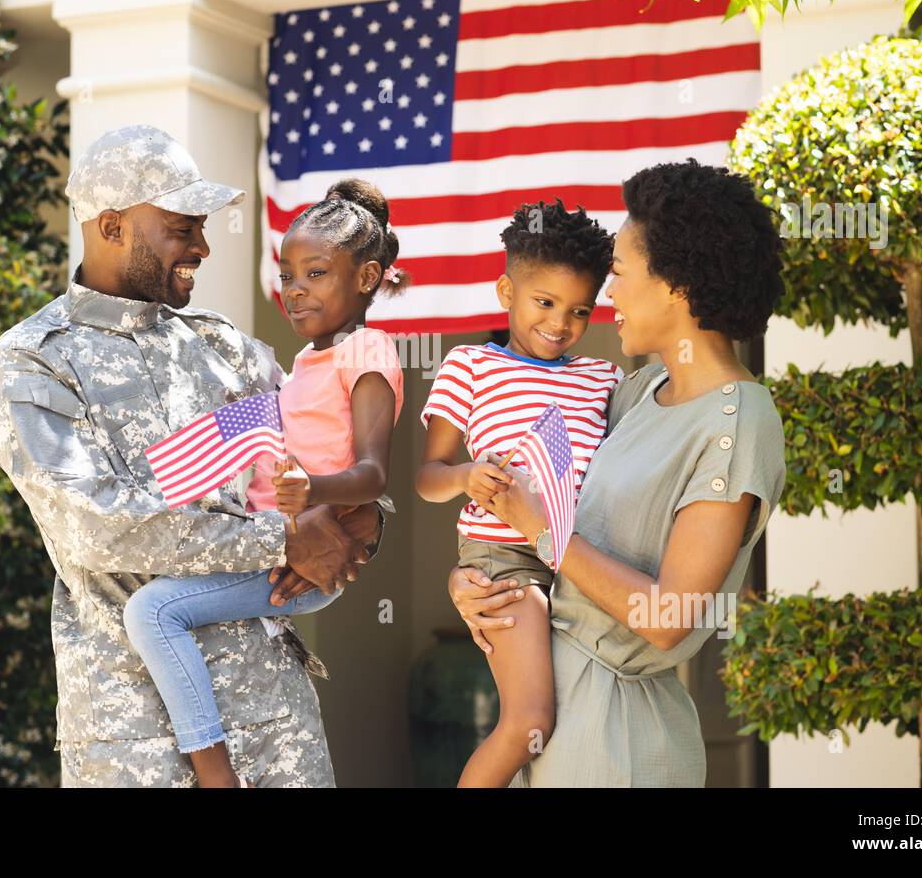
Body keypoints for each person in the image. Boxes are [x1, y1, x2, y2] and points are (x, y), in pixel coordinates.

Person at [0, 125, 383, 787]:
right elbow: (98, 523)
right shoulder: (34, 361)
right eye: (180, 226)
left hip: (275, 723)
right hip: (137, 740)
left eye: (201, 224)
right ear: (111, 227)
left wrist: (359, 522)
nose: (203, 245)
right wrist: (281, 537)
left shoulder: (224, 349)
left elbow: (316, 447)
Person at [448, 158, 787, 787]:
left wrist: (543, 531)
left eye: (622, 274)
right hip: (549, 718)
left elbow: (668, 617)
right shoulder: (639, 392)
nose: (609, 294)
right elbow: (542, 527)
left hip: (617, 741)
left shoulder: (739, 421)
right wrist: (473, 579)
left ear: (676, 285)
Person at [122, 177, 409, 787]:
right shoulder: (307, 359)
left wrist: (313, 494)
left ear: (366, 278)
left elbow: (374, 472)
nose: (296, 290)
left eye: (316, 274)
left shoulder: (368, 350)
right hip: (273, 533)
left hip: (300, 550)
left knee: (152, 610)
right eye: (288, 275)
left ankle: (214, 773)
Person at [416, 199, 620, 787]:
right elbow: (428, 477)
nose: (560, 323)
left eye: (580, 310)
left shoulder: (602, 378)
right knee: (529, 718)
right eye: (545, 302)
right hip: (506, 563)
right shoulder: (471, 366)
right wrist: (464, 476)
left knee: (580, 720)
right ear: (507, 291)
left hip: (580, 558)